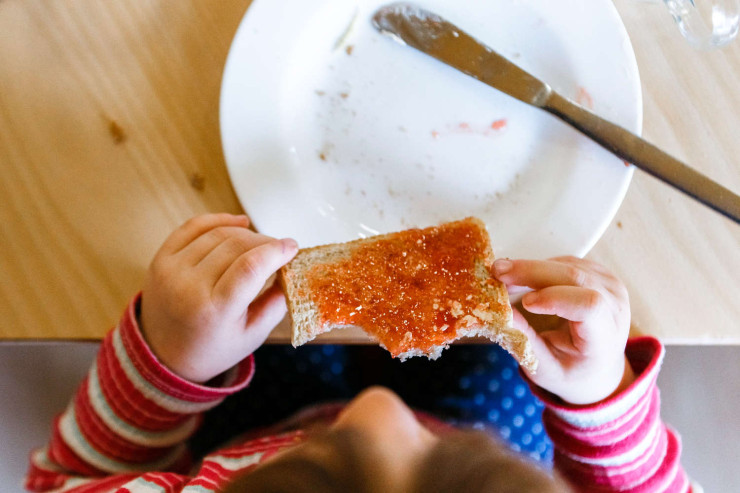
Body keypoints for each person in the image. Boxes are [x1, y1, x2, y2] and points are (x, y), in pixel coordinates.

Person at [25, 213, 693, 492]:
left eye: (325, 464)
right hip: (497, 426)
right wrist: (600, 395)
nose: (380, 405)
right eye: (437, 460)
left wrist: (165, 364)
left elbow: (64, 478)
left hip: (252, 425)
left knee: (256, 326)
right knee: (519, 347)